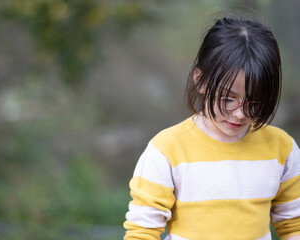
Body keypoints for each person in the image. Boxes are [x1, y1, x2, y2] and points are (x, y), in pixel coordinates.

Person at [123, 16, 300, 240]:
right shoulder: (166, 150)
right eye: (228, 99)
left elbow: (294, 226)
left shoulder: (282, 150)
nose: (240, 113)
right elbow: (142, 232)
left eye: (255, 103)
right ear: (201, 80)